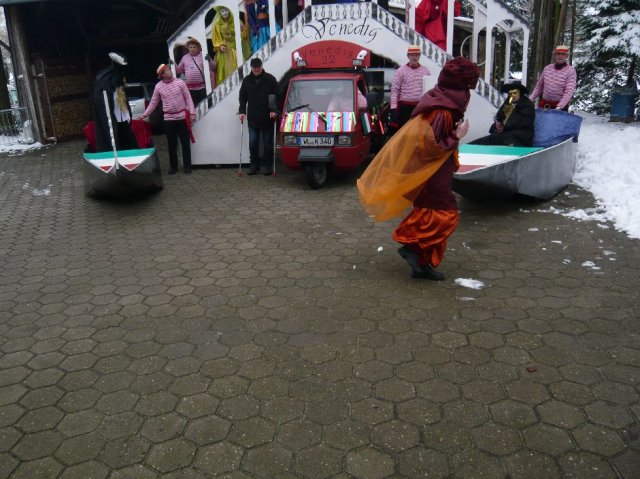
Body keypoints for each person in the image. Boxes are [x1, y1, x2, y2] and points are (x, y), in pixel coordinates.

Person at [357, 56, 480, 280]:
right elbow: (430, 145)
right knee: (445, 215)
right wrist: (456, 136)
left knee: (429, 211)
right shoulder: (442, 111)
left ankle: (422, 264)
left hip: (432, 171)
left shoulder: (442, 101)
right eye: (468, 87)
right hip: (432, 173)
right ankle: (413, 248)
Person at [140, 64, 196, 175]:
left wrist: (192, 112)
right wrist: (144, 115)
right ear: (162, 75)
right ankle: (173, 167)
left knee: (185, 142)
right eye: (167, 70)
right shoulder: (158, 87)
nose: (170, 71)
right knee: (171, 143)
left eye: (169, 69)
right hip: (168, 119)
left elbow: (188, 98)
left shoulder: (180, 83)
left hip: (181, 117)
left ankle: (187, 166)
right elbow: (153, 103)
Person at [239, 57, 278, 175]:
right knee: (253, 142)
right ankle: (254, 165)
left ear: (261, 66)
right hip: (253, 117)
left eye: (258, 67)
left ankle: (267, 165)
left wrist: (274, 110)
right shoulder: (246, 81)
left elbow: (276, 95)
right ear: (251, 68)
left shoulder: (270, 79)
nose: (256, 69)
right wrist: (242, 111)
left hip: (267, 116)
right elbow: (242, 97)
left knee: (268, 143)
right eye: (254, 67)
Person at [93, 52, 137, 152]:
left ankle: (131, 153)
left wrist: (127, 114)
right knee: (114, 138)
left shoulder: (119, 84)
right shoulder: (103, 82)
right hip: (112, 118)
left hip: (122, 117)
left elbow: (123, 101)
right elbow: (101, 102)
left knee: (128, 138)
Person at [470, 81, 535, 147]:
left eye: (515, 93)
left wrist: (504, 127)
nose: (512, 95)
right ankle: (469, 147)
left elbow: (522, 124)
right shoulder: (509, 102)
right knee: (487, 141)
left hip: (521, 137)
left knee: (503, 141)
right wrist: (497, 124)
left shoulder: (527, 105)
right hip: (506, 134)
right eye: (510, 93)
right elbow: (500, 116)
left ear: (520, 93)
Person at [390, 45, 431, 130]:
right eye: (412, 55)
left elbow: (429, 89)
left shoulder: (426, 71)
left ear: (419, 56)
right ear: (408, 56)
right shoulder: (400, 71)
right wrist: (393, 108)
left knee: (419, 131)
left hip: (420, 107)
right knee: (405, 131)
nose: (414, 57)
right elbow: (394, 91)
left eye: (416, 55)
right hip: (405, 108)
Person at [529, 45, 577, 111]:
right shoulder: (547, 68)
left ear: (567, 56)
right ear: (555, 55)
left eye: (563, 54)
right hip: (545, 104)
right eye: (558, 54)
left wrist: (559, 106)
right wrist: (530, 99)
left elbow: (569, 91)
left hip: (560, 106)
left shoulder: (570, 71)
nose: (560, 56)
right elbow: (539, 86)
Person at [175, 37, 216, 107]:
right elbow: (179, 70)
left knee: (204, 106)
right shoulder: (184, 57)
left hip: (202, 88)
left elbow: (214, 68)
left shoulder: (203, 56)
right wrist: (173, 65)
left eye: (194, 47)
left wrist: (210, 60)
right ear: (188, 48)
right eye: (190, 47)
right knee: (193, 107)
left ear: (199, 48)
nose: (192, 49)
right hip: (190, 89)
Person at [212, 6, 243, 85]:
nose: (224, 12)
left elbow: (242, 31)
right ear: (219, 13)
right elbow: (216, 37)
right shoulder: (217, 24)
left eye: (226, 10)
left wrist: (237, 35)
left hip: (234, 45)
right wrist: (220, 45)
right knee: (225, 66)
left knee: (237, 61)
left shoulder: (235, 20)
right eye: (222, 11)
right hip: (225, 47)